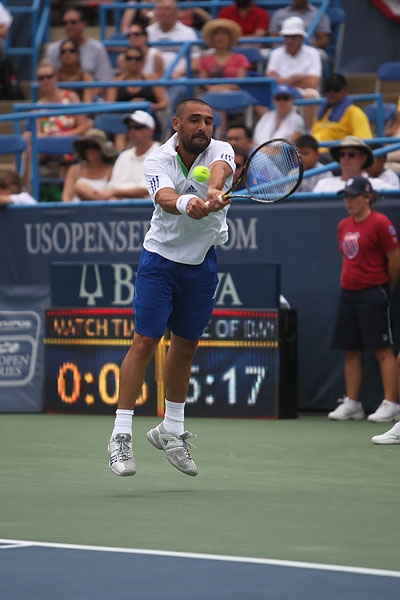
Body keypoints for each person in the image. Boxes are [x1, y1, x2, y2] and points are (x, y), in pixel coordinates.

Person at [107, 98, 235, 477]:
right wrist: (187, 202)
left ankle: (172, 430)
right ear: (176, 123)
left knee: (186, 344)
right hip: (160, 261)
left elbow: (221, 169)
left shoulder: (221, 149)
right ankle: (120, 435)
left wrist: (213, 190)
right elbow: (164, 198)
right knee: (145, 341)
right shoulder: (157, 160)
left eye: (208, 121)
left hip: (201, 262)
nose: (203, 127)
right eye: (195, 120)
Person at [328, 176, 400, 422]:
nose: (348, 201)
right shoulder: (343, 225)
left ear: (367, 197)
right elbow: (346, 257)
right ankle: (353, 403)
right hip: (348, 294)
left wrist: (383, 287)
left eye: (353, 196)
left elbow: (395, 259)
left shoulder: (380, 223)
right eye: (346, 197)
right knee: (351, 350)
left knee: (382, 350)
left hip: (374, 293)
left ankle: (391, 403)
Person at [22, 62, 92, 190]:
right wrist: (47, 136)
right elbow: (37, 133)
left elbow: (83, 126)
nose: (45, 81)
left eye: (49, 77)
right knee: (27, 139)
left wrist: (62, 135)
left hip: (70, 142)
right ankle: (25, 190)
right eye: (41, 78)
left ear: (56, 77)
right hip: (47, 144)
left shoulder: (71, 97)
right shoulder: (38, 106)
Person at [105, 46, 169, 148]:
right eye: (129, 58)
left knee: (137, 130)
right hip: (124, 122)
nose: (133, 62)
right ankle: (120, 156)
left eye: (137, 58)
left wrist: (147, 105)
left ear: (143, 61)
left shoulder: (152, 79)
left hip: (147, 119)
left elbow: (163, 103)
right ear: (124, 60)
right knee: (122, 132)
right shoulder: (115, 82)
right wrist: (129, 105)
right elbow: (110, 106)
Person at [266, 16, 322, 130]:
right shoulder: (275, 53)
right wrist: (295, 78)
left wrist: (283, 81)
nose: (290, 40)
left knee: (310, 95)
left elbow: (313, 83)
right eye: (286, 36)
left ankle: (308, 133)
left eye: (293, 36)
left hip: (302, 92)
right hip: (281, 91)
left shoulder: (313, 53)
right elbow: (270, 81)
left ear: (301, 37)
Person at [44, 6, 113, 83]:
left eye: (73, 22)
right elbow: (46, 77)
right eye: (65, 23)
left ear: (83, 24)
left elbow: (104, 79)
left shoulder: (97, 48)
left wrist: (89, 90)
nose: (68, 26)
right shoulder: (53, 49)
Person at [311, 73, 373, 154]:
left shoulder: (354, 112)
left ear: (345, 91)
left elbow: (364, 142)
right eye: (328, 90)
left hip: (334, 155)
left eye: (336, 89)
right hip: (314, 152)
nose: (332, 93)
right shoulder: (320, 113)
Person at [313, 136, 396, 193]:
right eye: (342, 155)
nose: (346, 158)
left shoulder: (378, 185)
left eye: (351, 155)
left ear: (363, 159)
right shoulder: (323, 184)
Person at [107, 110, 160, 199]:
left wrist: (114, 192)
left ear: (150, 131)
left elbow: (147, 189)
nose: (132, 131)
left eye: (137, 127)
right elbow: (112, 186)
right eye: (129, 127)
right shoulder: (123, 156)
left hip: (148, 206)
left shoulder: (161, 154)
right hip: (120, 204)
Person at [62, 128, 119, 202]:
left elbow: (114, 197)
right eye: (86, 146)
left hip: (103, 208)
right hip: (77, 208)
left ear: (102, 149)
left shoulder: (111, 171)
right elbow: (66, 198)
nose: (90, 150)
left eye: (94, 147)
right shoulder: (74, 170)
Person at [56, 38, 95, 103]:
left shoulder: (86, 77)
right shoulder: (53, 77)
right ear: (60, 56)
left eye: (71, 51)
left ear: (78, 54)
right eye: (63, 51)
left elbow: (87, 103)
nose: (67, 53)